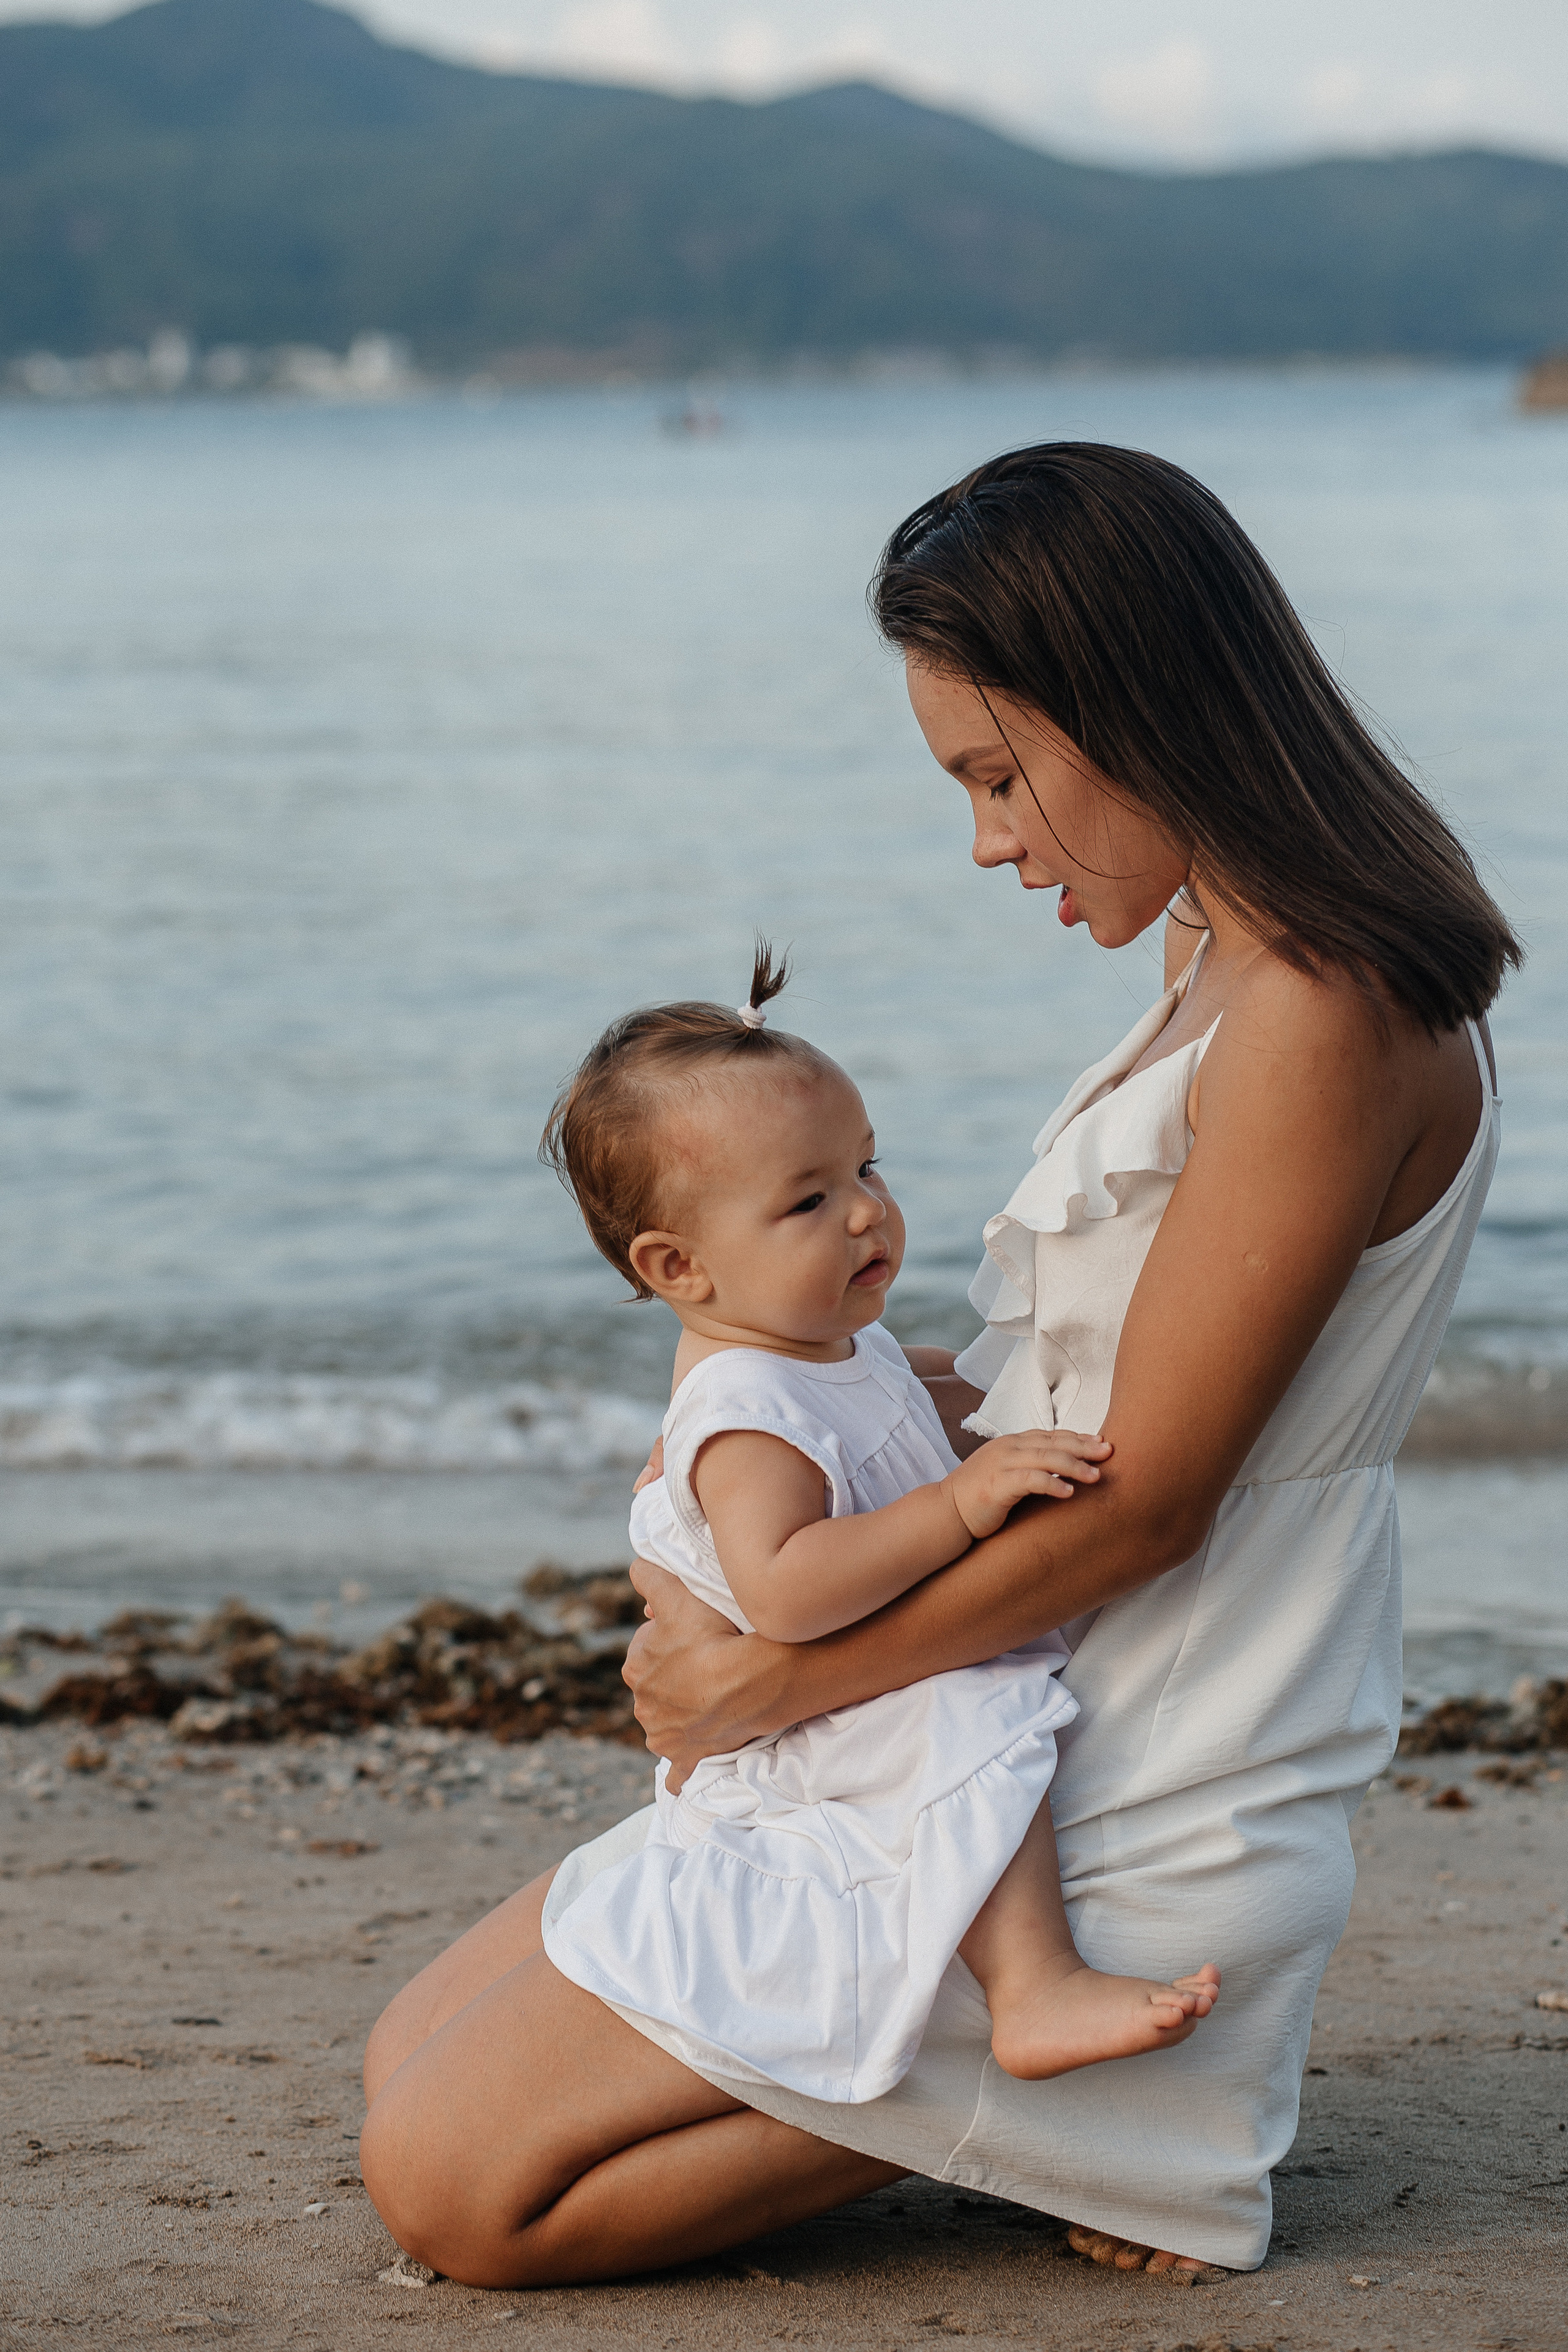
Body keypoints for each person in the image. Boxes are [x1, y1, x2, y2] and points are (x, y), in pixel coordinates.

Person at [358, 442, 1515, 2289]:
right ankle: (1044, 2102)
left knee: (458, 2191)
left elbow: (1149, 1507)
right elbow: (1084, 1391)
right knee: (405, 2050)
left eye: (998, 777)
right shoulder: (1223, 964)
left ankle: (1127, 2105)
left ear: (1132, 706)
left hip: (1135, 1755)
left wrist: (766, 1688)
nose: (989, 840)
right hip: (1006, 1715)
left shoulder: (1320, 1008)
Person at [535, 948, 1221, 2101]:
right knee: (976, 1714)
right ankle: (1033, 1986)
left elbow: (902, 1401)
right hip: (807, 1722)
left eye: (867, 1167)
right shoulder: (748, 1413)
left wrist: (1018, 1391)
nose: (867, 1211)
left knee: (977, 1705)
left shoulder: (817, 1347)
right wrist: (959, 1501)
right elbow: (790, 1594)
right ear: (679, 1268)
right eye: (809, 1201)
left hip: (826, 1681)